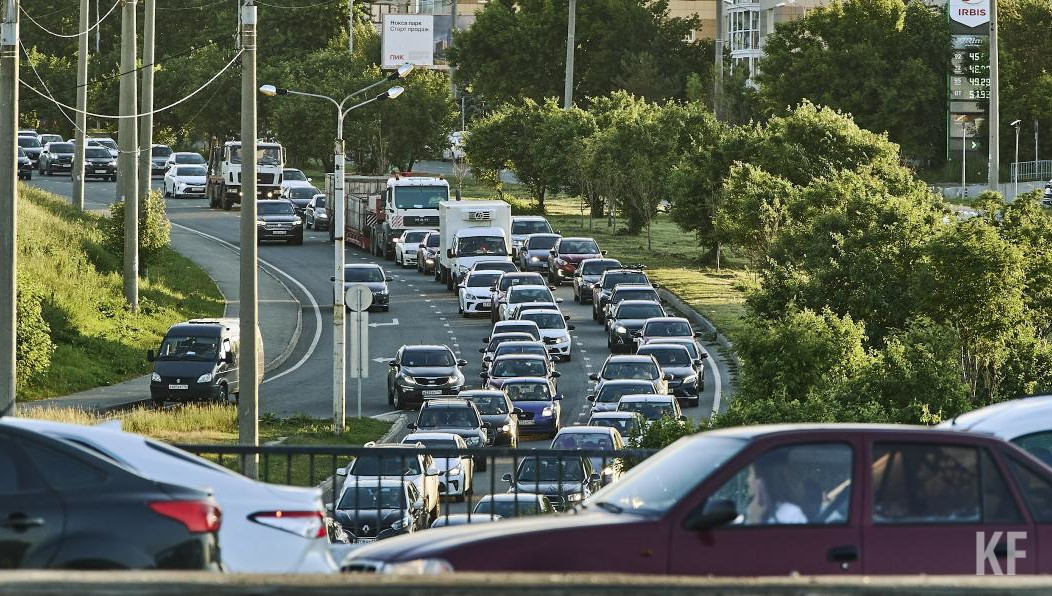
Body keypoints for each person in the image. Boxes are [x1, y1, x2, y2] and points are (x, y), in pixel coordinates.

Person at [743, 452, 808, 525]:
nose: (747, 480)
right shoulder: (754, 510)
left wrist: (754, 519)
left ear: (762, 480)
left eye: (751, 474)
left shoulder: (791, 513)